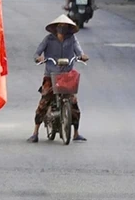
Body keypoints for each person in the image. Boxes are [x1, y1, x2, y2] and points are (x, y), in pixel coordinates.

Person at [28, 15, 89, 143]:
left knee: (73, 103)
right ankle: (35, 132)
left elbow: (79, 51)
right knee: (44, 101)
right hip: (51, 75)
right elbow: (37, 53)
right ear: (55, 28)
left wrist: (82, 56)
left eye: (65, 27)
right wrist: (39, 58)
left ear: (69, 29)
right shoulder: (48, 39)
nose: (62, 29)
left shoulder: (72, 39)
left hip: (67, 75)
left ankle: (76, 133)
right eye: (60, 27)